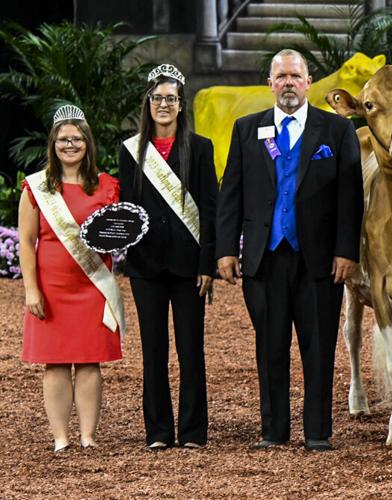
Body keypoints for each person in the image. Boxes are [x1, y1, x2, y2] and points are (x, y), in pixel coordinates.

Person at [215, 49, 363, 452]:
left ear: (309, 82)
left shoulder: (336, 131)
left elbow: (351, 199)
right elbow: (231, 194)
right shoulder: (248, 130)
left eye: (295, 76)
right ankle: (273, 431)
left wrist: (346, 250)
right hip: (264, 258)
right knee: (270, 346)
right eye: (280, 77)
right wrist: (226, 249)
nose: (288, 84)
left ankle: (318, 432)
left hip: (319, 261)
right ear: (270, 83)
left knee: (319, 348)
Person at [116, 64, 217, 450]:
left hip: (189, 265)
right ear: (148, 102)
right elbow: (128, 206)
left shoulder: (201, 147)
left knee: (191, 350)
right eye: (157, 98)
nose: (163, 104)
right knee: (153, 351)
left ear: (180, 105)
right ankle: (158, 432)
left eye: (170, 99)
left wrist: (207, 264)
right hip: (146, 266)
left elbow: (209, 207)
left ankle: (193, 432)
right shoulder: (130, 150)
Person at [19, 104, 124, 452]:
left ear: (87, 143)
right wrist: (31, 290)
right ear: (53, 143)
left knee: (90, 359)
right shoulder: (36, 188)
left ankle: (88, 436)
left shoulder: (107, 186)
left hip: (92, 285)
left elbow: (115, 233)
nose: (70, 144)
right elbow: (25, 241)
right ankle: (61, 437)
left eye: (77, 138)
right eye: (63, 139)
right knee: (56, 361)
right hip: (51, 288)